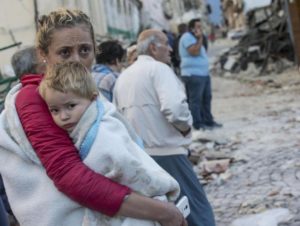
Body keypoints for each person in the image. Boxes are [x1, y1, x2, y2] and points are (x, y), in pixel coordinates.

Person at [0, 8, 186, 226]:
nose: (77, 61)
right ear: (43, 54)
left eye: (85, 50)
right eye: (65, 53)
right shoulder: (35, 98)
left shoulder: (78, 92)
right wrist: (163, 212)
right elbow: (71, 177)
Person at [37, 61, 180, 225]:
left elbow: (127, 165)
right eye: (55, 110)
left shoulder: (103, 133)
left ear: (92, 98)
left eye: (71, 106)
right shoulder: (80, 126)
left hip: (137, 206)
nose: (63, 116)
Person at [114, 29, 216, 226]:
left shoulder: (123, 77)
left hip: (141, 157)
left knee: (163, 214)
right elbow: (175, 108)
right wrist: (185, 128)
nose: (170, 48)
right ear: (153, 47)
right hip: (168, 152)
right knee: (196, 211)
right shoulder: (159, 69)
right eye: (166, 44)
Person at [179, 18, 222, 130]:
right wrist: (200, 38)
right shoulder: (187, 37)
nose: (200, 29)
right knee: (196, 101)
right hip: (193, 74)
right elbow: (194, 51)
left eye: (201, 26)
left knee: (206, 98)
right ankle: (197, 124)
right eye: (197, 26)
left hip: (203, 73)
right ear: (192, 28)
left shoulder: (196, 38)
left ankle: (208, 121)